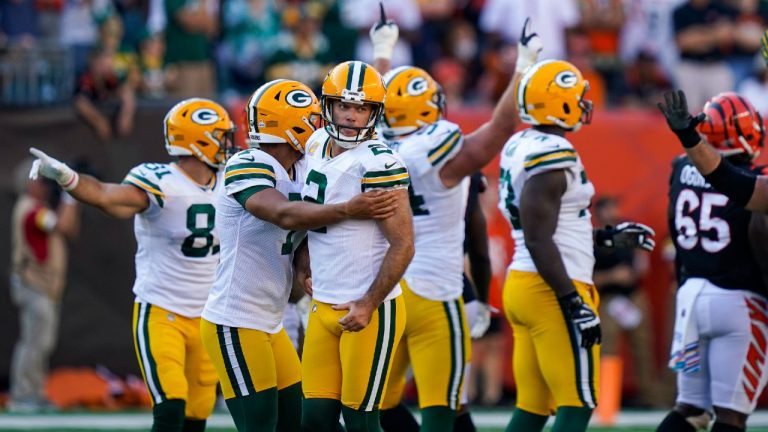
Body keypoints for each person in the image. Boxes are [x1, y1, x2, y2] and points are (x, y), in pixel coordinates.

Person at [370, 16, 543, 432]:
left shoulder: (371, 142)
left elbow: (370, 100)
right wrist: (523, 66)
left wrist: (382, 53)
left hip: (384, 287)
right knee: (443, 411)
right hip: (435, 291)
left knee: (376, 403)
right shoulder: (440, 150)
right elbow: (501, 128)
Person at [199, 79, 397, 432]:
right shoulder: (249, 162)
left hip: (271, 321)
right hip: (235, 319)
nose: (318, 125)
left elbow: (307, 225)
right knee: (261, 426)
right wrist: (349, 208)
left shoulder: (303, 167)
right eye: (310, 118)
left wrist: (306, 260)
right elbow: (284, 214)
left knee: (299, 423)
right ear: (293, 124)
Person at [28, 98, 237, 432]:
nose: (229, 143)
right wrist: (68, 179)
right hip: (162, 312)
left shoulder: (230, 181)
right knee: (170, 408)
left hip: (209, 316)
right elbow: (107, 196)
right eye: (221, 135)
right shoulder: (160, 182)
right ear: (199, 141)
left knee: (197, 416)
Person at [498, 59, 655, 432]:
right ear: (559, 103)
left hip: (526, 282)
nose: (585, 104)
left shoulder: (521, 142)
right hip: (552, 286)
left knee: (533, 409)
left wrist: (605, 237)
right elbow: (539, 236)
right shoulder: (554, 154)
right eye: (577, 97)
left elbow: (552, 224)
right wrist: (572, 301)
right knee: (578, 403)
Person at [296, 60, 414, 432]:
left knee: (362, 420)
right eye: (344, 106)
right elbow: (309, 216)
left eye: (361, 108)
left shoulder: (379, 163)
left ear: (373, 113)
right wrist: (303, 263)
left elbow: (403, 244)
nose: (350, 116)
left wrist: (369, 302)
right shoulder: (314, 143)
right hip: (323, 302)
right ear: (327, 106)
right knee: (314, 420)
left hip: (369, 311)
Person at [657, 92, 768, 432]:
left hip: (691, 293)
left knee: (689, 409)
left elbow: (676, 229)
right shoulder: (756, 177)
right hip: (739, 301)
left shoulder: (680, 167)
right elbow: (744, 198)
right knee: (731, 417)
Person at [8, 159, 80, 413]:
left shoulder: (37, 207)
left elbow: (68, 229)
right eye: (42, 182)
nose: (47, 188)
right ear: (29, 184)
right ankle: (23, 394)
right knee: (34, 342)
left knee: (40, 342)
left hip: (41, 286)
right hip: (33, 284)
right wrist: (72, 196)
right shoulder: (33, 209)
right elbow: (63, 226)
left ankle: (33, 393)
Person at [592, 196, 661, 409]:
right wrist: (612, 276)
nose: (614, 212)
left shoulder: (627, 233)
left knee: (643, 347)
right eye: (609, 208)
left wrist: (638, 263)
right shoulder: (592, 240)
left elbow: (642, 261)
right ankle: (606, 400)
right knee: (607, 350)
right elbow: (587, 278)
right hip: (608, 299)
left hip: (633, 296)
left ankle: (651, 398)